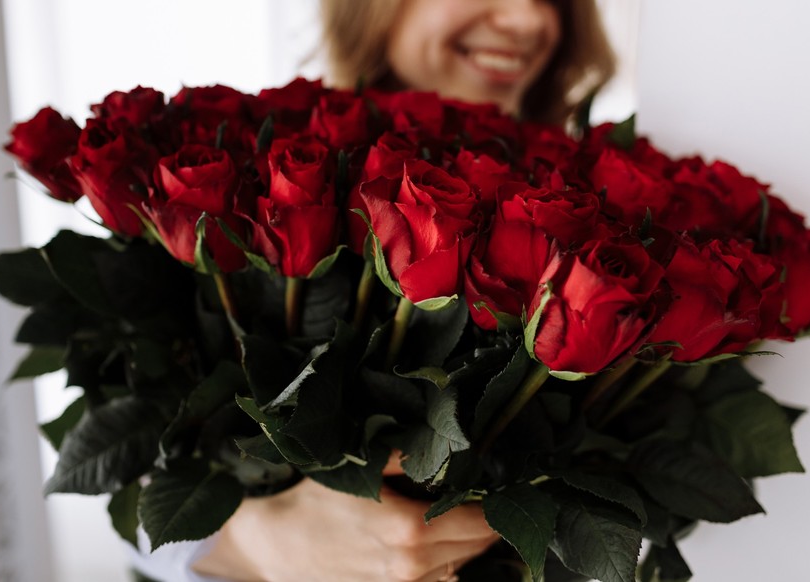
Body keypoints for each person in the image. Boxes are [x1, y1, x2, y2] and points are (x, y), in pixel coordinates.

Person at [138, 1, 615, 581]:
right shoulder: (245, 182)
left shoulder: (612, 215)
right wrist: (261, 540)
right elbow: (139, 497)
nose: (526, 19)